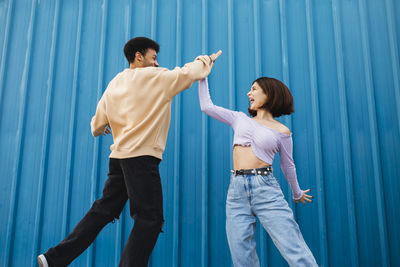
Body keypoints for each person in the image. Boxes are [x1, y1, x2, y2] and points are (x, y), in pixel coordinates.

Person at [37, 37, 222, 267]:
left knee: (104, 209)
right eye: (153, 58)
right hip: (141, 159)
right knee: (150, 219)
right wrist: (206, 59)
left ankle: (52, 258)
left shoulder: (115, 83)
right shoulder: (156, 78)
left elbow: (96, 125)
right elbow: (188, 73)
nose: (156, 64)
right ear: (138, 56)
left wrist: (104, 126)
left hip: (118, 158)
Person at [198, 77, 318, 267]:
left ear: (269, 94)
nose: (249, 93)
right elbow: (207, 106)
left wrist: (297, 192)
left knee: (293, 246)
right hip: (236, 191)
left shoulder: (282, 131)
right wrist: (202, 77)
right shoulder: (239, 118)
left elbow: (288, 165)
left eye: (254, 89)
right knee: (241, 255)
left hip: (266, 189)